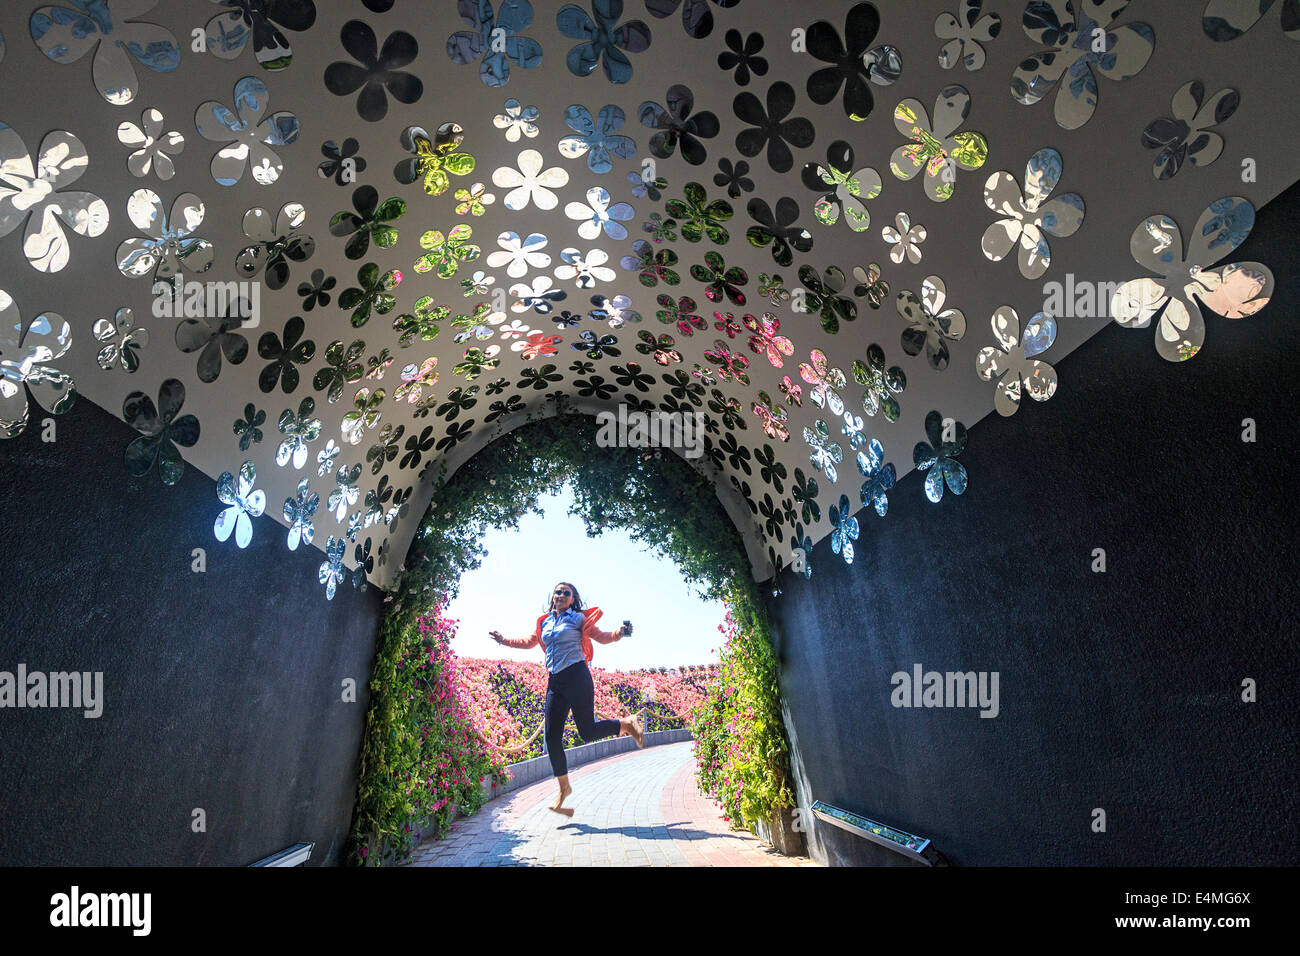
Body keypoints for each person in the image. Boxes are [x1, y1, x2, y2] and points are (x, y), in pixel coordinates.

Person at [490, 581, 644, 815]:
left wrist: (620, 633)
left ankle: (626, 723)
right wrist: (503, 641)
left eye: (566, 593)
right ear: (552, 596)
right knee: (551, 737)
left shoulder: (578, 619)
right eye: (558, 592)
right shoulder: (545, 621)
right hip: (555, 682)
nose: (561, 595)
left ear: (573, 599)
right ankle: (564, 788)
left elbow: (601, 637)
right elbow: (529, 642)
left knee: (587, 731)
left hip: (577, 676)